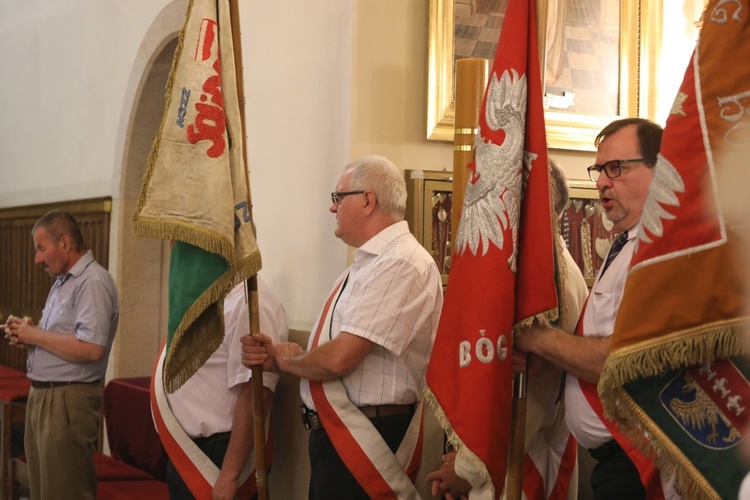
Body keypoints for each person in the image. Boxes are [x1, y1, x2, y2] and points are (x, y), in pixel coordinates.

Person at [241, 155, 444, 499]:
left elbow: (340, 360)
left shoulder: (402, 262)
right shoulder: (367, 264)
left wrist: (284, 361)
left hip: (369, 434)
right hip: (338, 434)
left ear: (367, 200)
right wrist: (288, 357)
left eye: (338, 198)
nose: (332, 209)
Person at [513, 118, 671, 498]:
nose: (601, 181)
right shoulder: (624, 244)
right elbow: (597, 342)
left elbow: (618, 357)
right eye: (599, 169)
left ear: (660, 168)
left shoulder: (661, 251)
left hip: (641, 465)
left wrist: (536, 337)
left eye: (616, 168)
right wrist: (552, 361)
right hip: (615, 463)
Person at [425, 159, 589, 499]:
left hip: (523, 461)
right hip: (498, 454)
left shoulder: (553, 278)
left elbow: (537, 393)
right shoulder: (526, 267)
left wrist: (467, 468)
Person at [1, 209, 119, 500]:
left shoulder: (92, 282)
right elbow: (66, 340)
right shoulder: (62, 282)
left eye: (42, 248)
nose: (37, 259)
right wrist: (30, 339)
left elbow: (92, 348)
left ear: (65, 243)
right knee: (43, 491)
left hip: (68, 400)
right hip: (44, 396)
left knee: (65, 492)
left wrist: (35, 335)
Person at [163, 277, 288, 500]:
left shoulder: (249, 304)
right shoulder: (208, 298)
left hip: (220, 454)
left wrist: (229, 476)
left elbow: (256, 393)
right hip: (187, 448)